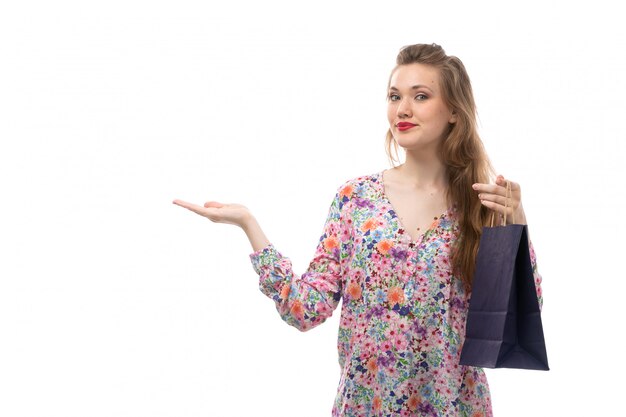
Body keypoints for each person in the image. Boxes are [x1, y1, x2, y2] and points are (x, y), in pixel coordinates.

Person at [172, 43, 543, 417]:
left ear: (452, 111)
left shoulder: (481, 203)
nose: (403, 109)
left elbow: (518, 311)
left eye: (421, 96)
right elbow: (305, 309)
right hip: (366, 407)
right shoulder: (356, 199)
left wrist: (517, 219)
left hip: (453, 407)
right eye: (395, 96)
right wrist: (249, 225)